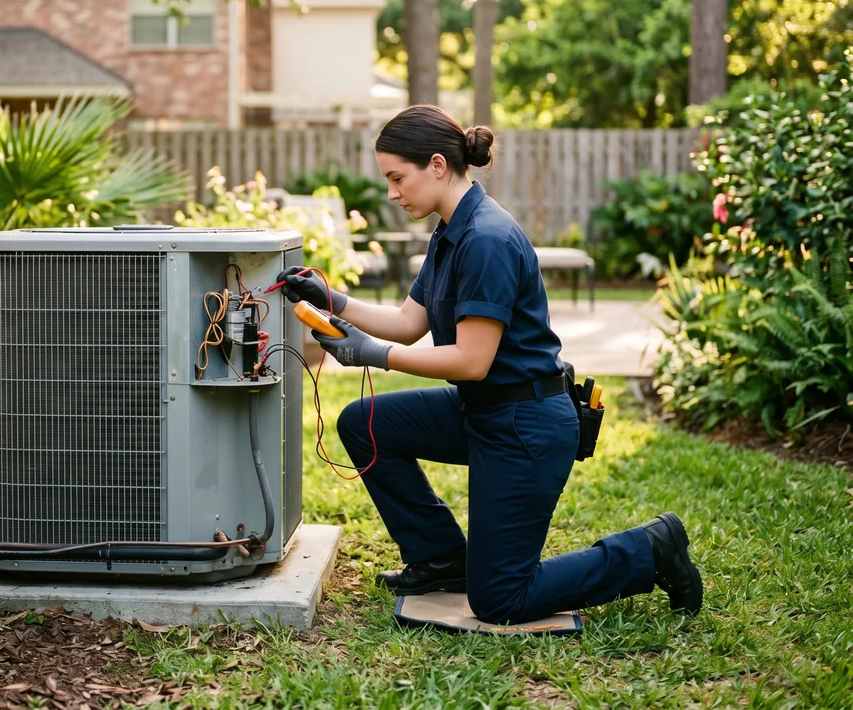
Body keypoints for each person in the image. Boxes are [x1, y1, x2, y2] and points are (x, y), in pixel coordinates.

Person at [275, 105, 703, 626]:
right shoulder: (451, 231)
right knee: (363, 424)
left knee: (501, 599)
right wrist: (333, 299)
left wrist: (372, 354)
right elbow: (411, 322)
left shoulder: (487, 240)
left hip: (525, 426)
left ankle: (650, 550)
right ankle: (441, 558)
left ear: (436, 165)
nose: (392, 193)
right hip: (482, 410)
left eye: (396, 178)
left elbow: (472, 361)